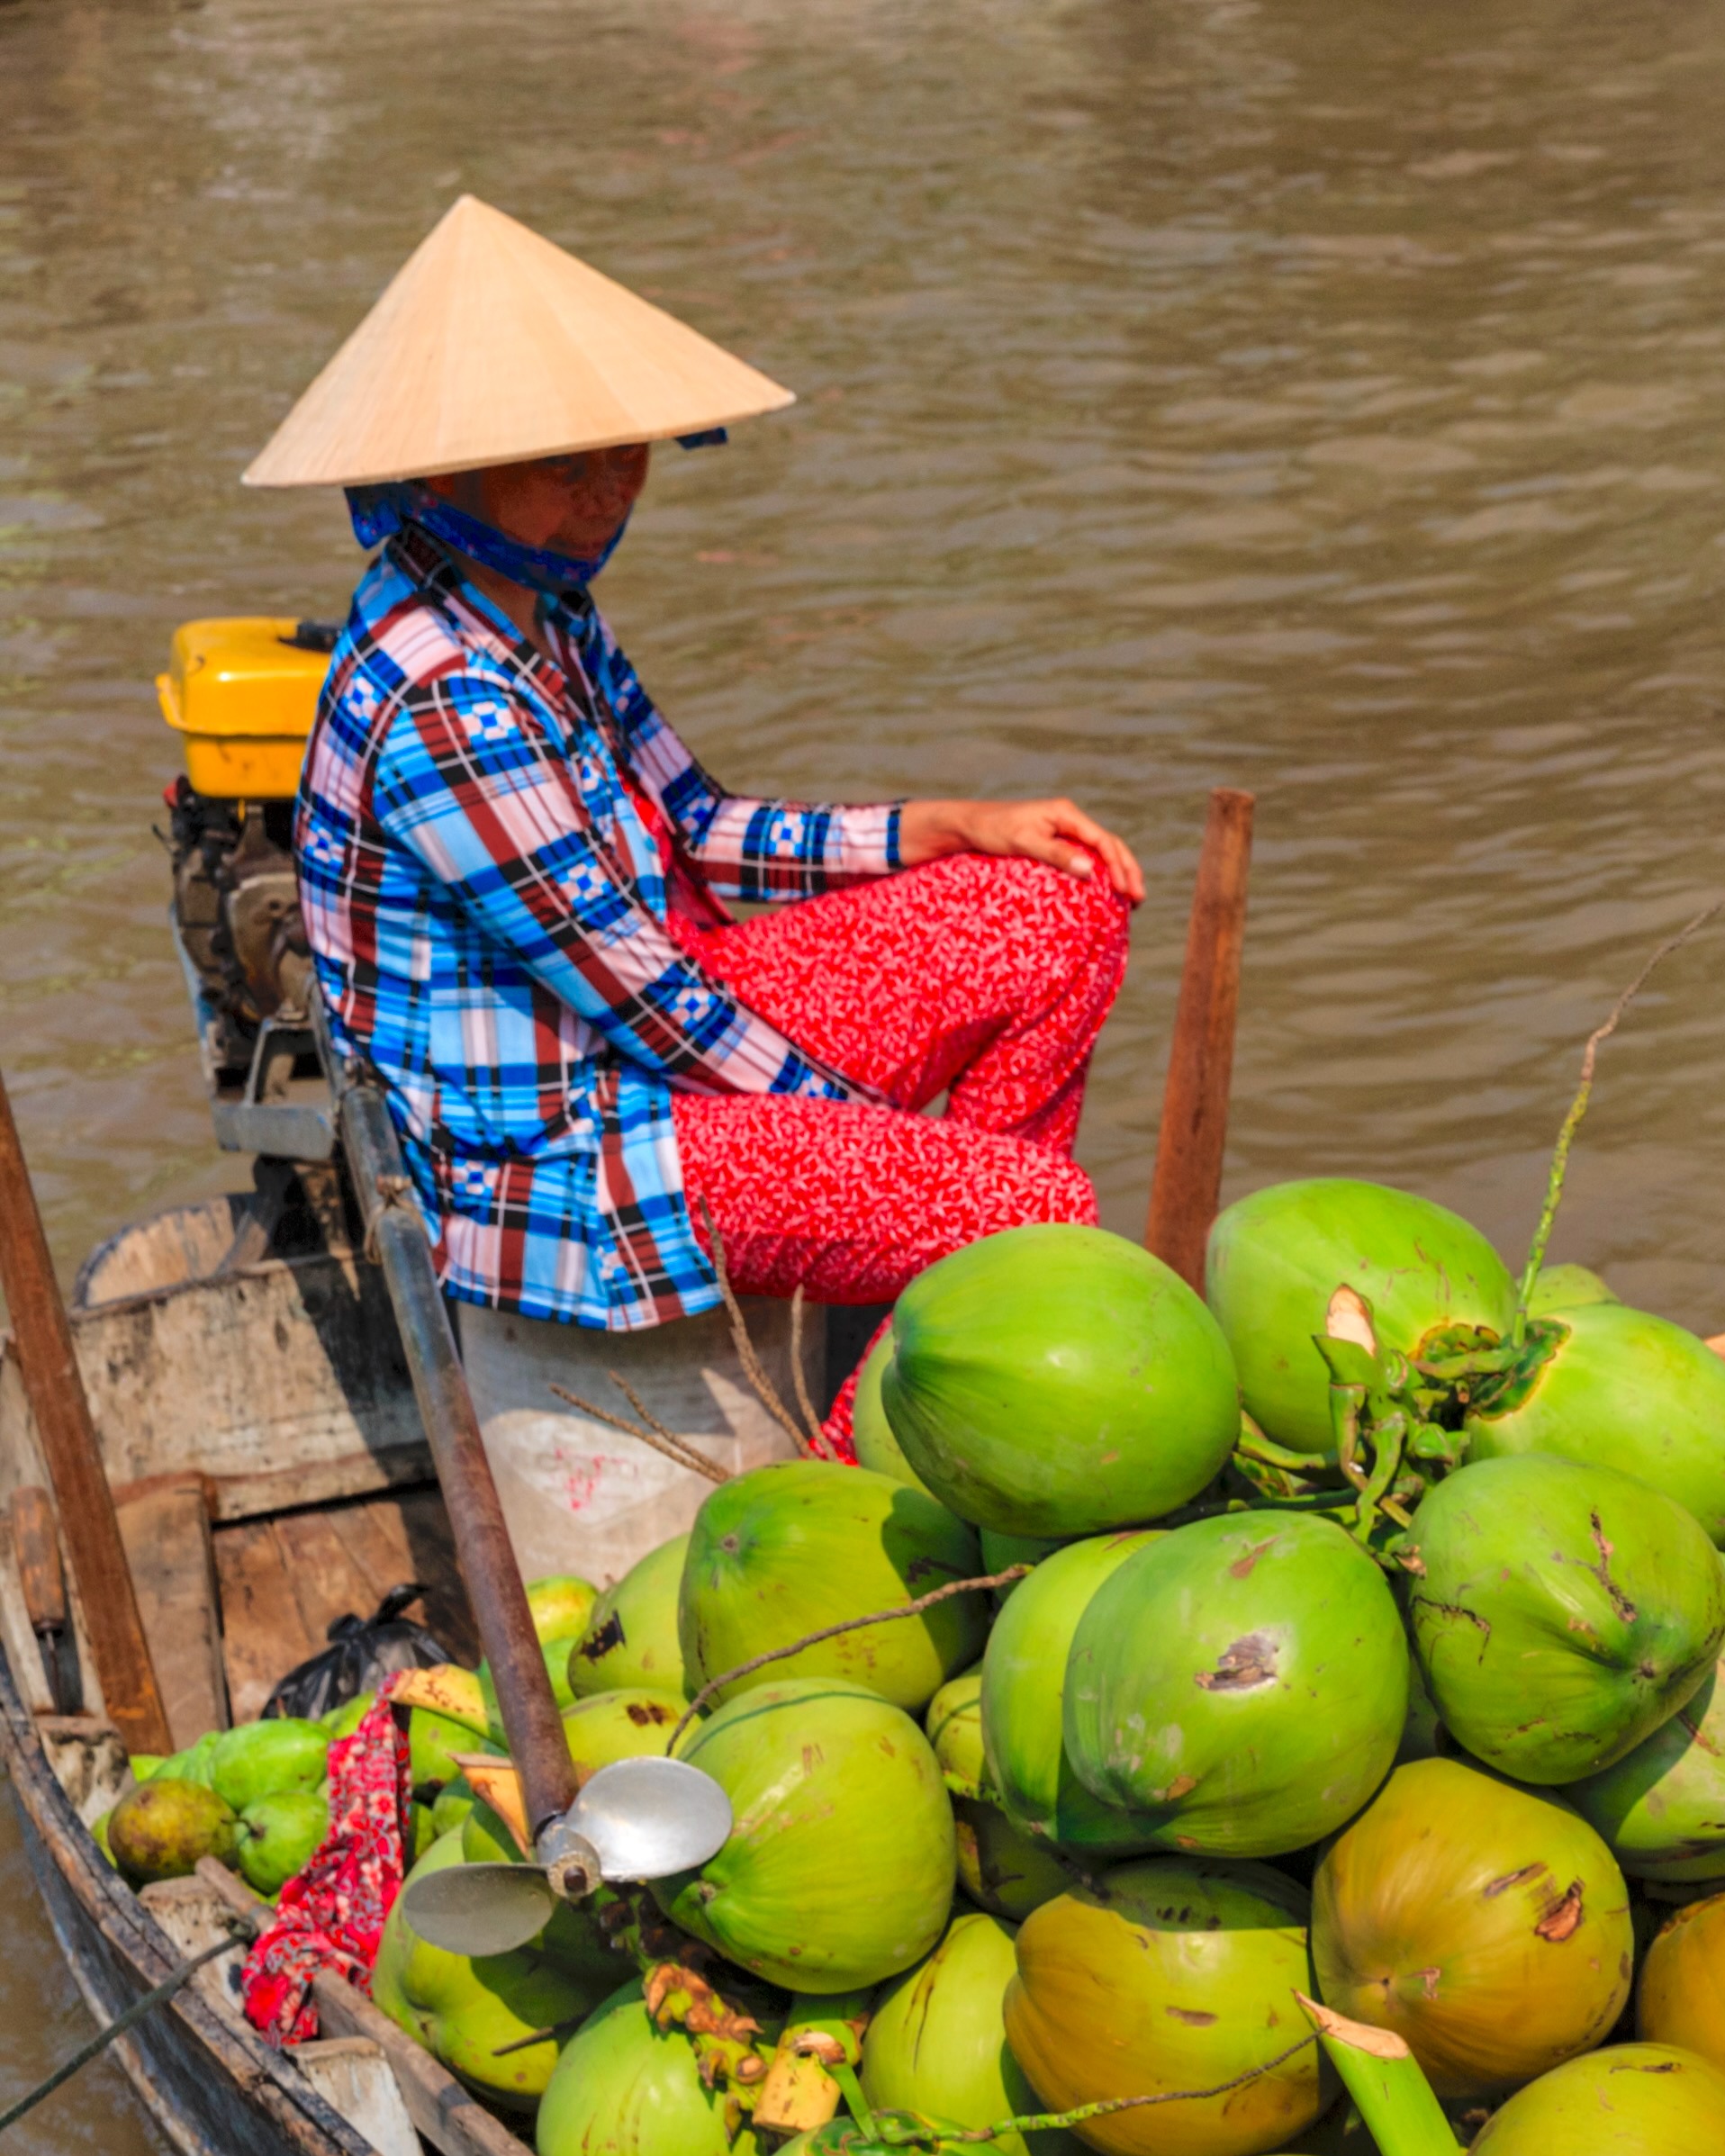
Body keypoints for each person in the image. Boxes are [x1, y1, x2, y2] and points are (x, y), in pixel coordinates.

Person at [257, 196, 1144, 1346]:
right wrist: (875, 1135)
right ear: (442, 479)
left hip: (640, 1048)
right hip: (558, 1157)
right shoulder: (445, 697)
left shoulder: (545, 610)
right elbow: (640, 994)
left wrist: (943, 824)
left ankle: (957, 1332)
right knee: (1033, 1208)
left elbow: (694, 825)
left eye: (623, 453)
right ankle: (904, 1402)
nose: (607, 493)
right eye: (561, 466)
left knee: (1061, 906)